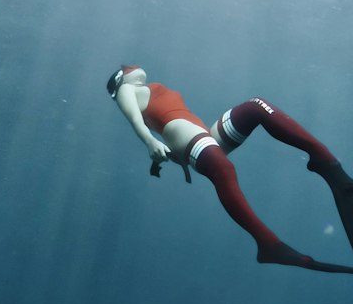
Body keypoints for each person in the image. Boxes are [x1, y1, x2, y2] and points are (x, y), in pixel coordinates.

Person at [106, 64, 339, 268]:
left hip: (202, 134)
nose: (132, 68)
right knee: (224, 170)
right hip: (184, 134)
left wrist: (155, 150)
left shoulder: (143, 88)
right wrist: (150, 142)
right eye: (127, 69)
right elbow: (135, 120)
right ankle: (267, 243)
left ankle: (322, 157)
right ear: (121, 78)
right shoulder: (126, 90)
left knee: (256, 107)